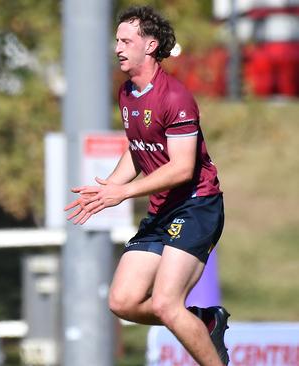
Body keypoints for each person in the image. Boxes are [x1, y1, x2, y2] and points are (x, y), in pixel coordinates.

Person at [65, 6, 230, 365]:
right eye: (117, 40)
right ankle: (204, 321)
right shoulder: (127, 93)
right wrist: (109, 186)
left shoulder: (175, 97)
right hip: (163, 209)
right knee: (122, 302)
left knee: (166, 303)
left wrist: (122, 193)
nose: (117, 48)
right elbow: (139, 149)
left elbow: (182, 168)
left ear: (151, 45)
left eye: (126, 40)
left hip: (197, 205)